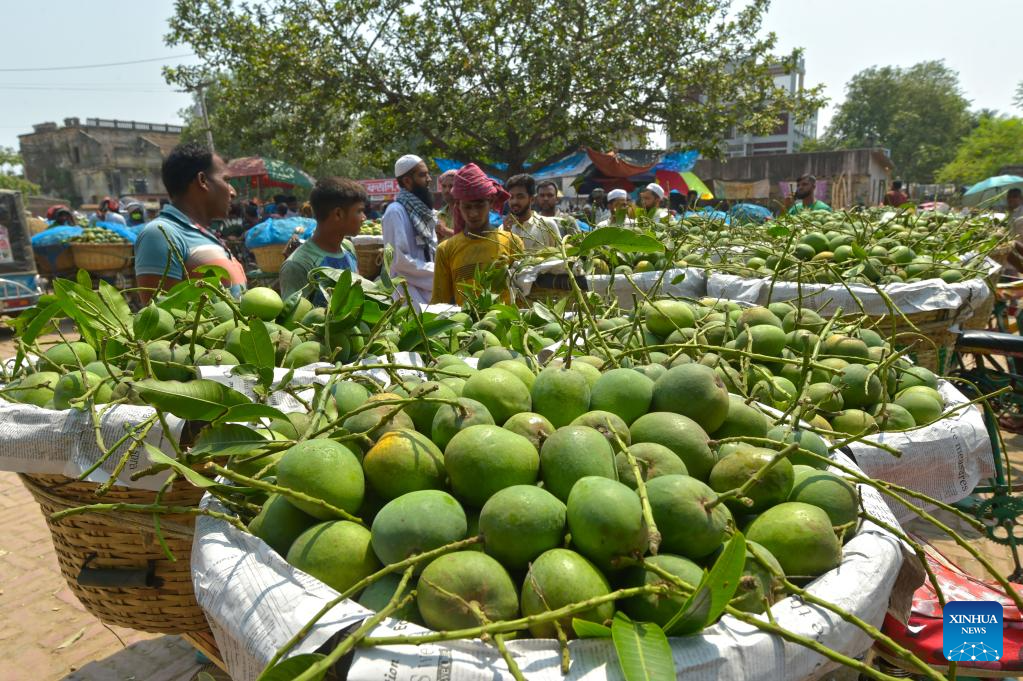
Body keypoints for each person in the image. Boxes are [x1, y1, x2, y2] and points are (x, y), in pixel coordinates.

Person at [134, 142, 244, 304]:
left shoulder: (205, 233)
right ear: (202, 180)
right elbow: (160, 319)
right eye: (226, 180)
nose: (232, 192)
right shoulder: (161, 234)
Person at [432, 163, 524, 305]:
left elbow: (522, 296)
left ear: (491, 202)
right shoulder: (445, 250)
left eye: (480, 205)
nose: (473, 213)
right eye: (467, 207)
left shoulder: (512, 242)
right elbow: (439, 303)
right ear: (458, 205)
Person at [279, 177, 366, 301]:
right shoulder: (298, 265)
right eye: (359, 211)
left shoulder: (348, 248)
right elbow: (293, 318)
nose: (364, 217)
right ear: (338, 214)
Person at [382, 154, 438, 305]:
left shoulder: (426, 212)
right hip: (408, 295)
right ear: (407, 181)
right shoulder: (395, 212)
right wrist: (439, 272)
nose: (429, 179)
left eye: (427, 174)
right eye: (422, 175)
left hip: (433, 291)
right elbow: (398, 261)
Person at [503, 174, 560, 251]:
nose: (514, 201)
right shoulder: (503, 229)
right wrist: (505, 234)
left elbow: (561, 257)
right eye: (511, 197)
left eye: (520, 197)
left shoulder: (548, 225)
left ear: (532, 199)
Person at [434, 169, 458, 240]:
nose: (447, 190)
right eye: (444, 186)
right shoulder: (438, 215)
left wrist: (444, 230)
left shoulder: (466, 213)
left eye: (451, 186)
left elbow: (470, 238)